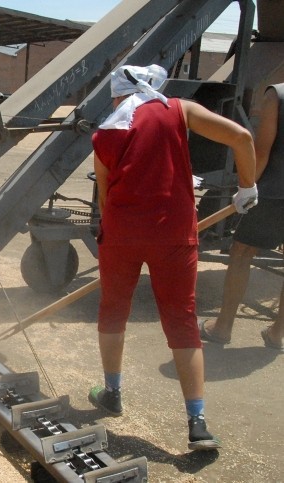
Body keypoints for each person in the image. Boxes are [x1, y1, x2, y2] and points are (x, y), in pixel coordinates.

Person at [89, 65, 257, 451]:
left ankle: (111, 393)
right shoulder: (179, 109)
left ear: (117, 97)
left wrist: (116, 232)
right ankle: (197, 423)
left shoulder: (104, 133)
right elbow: (242, 137)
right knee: (181, 320)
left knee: (113, 309)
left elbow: (105, 193)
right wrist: (247, 187)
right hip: (174, 234)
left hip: (121, 235)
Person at [199, 83, 284, 351]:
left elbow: (261, 150)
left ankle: (222, 328)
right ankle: (278, 334)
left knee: (242, 252)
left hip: (273, 192)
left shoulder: (277, 95)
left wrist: (247, 188)